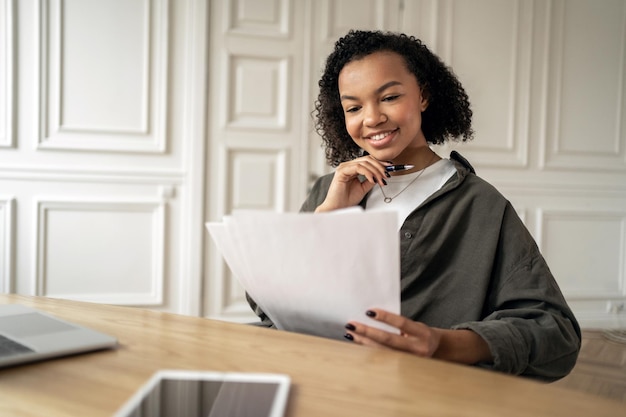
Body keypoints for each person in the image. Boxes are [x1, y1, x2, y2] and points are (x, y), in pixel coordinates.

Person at [247, 30, 581, 381]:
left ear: (423, 95)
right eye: (354, 107)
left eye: (389, 97)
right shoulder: (329, 190)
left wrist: (443, 344)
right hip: (321, 378)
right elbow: (269, 305)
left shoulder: (481, 205)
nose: (372, 118)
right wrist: (327, 216)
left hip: (421, 390)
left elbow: (554, 331)